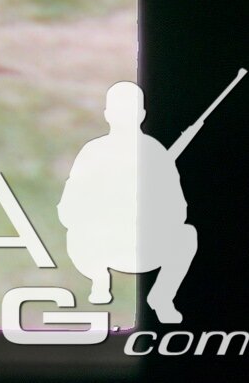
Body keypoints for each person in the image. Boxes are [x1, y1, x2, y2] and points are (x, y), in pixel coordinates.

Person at [61, 80, 203, 327]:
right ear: (143, 114)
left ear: (107, 115)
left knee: (186, 235)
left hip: (139, 250)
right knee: (186, 235)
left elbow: (177, 211)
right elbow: (69, 210)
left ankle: (159, 296)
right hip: (103, 247)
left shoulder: (150, 154)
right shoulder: (100, 152)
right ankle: (100, 280)